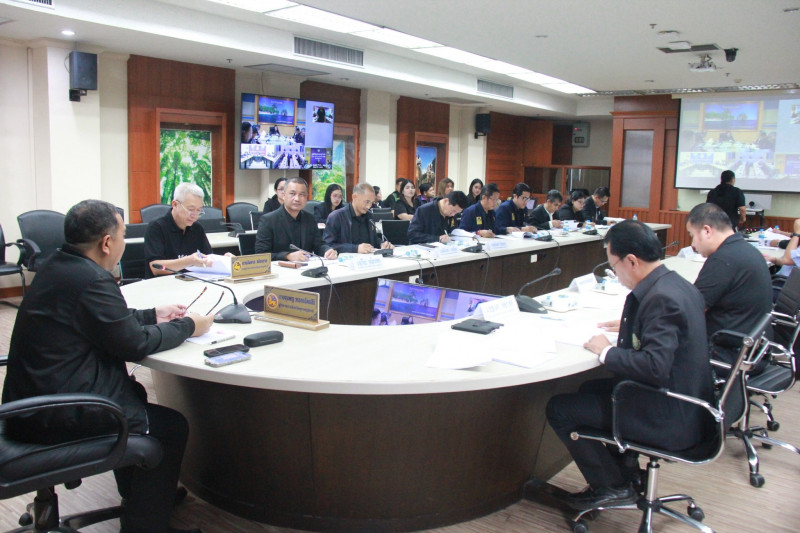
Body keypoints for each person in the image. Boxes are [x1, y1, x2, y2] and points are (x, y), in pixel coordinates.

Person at [2, 199, 213, 533]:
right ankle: (145, 525)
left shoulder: (60, 265)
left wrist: (152, 314)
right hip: (56, 414)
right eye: (123, 235)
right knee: (171, 427)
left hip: (29, 402)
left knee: (134, 392)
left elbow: (102, 319)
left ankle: (144, 498)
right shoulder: (92, 279)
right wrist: (189, 326)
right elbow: (134, 344)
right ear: (106, 243)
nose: (123, 242)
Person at [546, 220, 713, 511]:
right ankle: (625, 471)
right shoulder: (674, 284)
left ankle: (612, 486)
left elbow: (654, 367)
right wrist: (632, 325)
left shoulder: (661, 299)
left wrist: (606, 351)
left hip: (669, 416)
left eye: (614, 266)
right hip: (687, 401)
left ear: (632, 261)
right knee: (589, 388)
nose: (615, 273)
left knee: (559, 409)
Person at [686, 203, 773, 370]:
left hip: (729, 354)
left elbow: (691, 309)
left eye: (692, 235)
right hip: (753, 350)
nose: (693, 245)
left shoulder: (723, 259)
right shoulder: (745, 249)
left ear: (706, 231)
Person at [254, 177, 337, 261]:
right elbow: (261, 255)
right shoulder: (268, 220)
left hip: (307, 266)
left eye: (302, 194)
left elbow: (318, 245)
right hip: (280, 268)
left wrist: (327, 250)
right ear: (284, 195)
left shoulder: (310, 219)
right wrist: (287, 256)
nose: (297, 199)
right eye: (292, 193)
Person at [144, 182, 213, 279]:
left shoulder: (197, 228)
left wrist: (223, 259)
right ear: (175, 204)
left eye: (198, 210)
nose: (194, 215)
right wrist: (189, 261)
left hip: (192, 282)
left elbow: (208, 257)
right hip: (163, 284)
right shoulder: (157, 227)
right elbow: (155, 267)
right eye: (191, 209)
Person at [322, 182, 393, 253]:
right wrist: (355, 248)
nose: (369, 206)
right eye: (367, 202)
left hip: (368, 257)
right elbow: (328, 245)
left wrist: (382, 244)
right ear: (354, 197)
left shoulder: (370, 216)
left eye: (371, 202)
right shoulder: (336, 216)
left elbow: (374, 240)